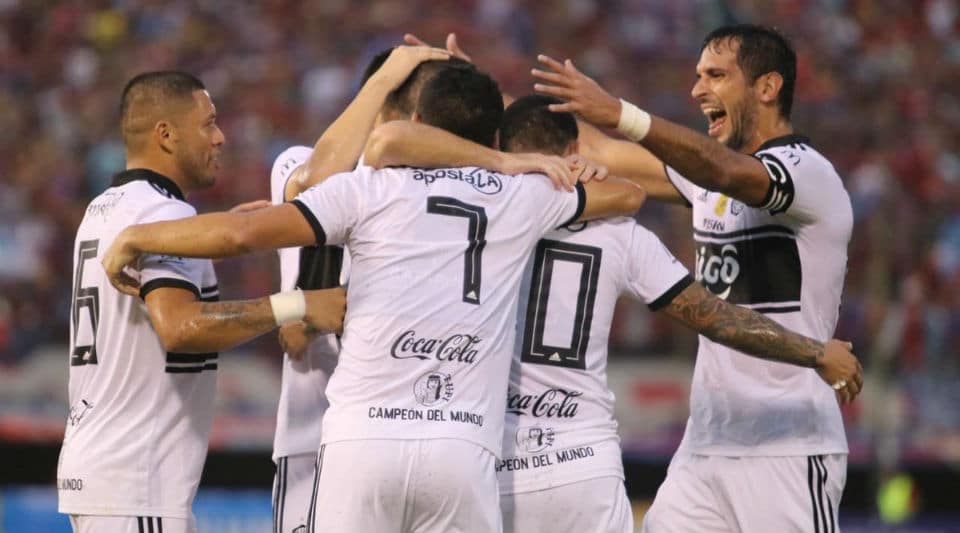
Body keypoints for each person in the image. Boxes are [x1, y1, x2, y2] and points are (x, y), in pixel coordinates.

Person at [100, 66, 645, 533]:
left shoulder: (363, 188)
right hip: (461, 447)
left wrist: (138, 237)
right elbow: (629, 194)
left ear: (417, 120)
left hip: (362, 441)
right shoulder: (524, 195)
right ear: (495, 138)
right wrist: (559, 169)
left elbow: (240, 234)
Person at [357, 93, 862, 533]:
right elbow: (715, 317)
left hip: (488, 461)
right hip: (584, 466)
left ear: (501, 148)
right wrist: (815, 352)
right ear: (575, 153)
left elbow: (392, 146)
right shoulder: (620, 228)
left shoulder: (473, 215)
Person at [531, 23, 861, 532]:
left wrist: (622, 114)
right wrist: (467, 92)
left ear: (767, 87)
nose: (697, 89)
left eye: (716, 75)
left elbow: (724, 173)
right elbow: (592, 150)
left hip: (788, 448)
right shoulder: (704, 178)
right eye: (698, 75)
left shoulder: (807, 173)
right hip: (705, 448)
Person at [267, 46, 579, 533]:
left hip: (412, 430)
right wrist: (299, 305)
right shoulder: (312, 166)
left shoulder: (436, 189)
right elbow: (320, 184)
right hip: (319, 428)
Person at [57, 71, 345, 533]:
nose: (220, 137)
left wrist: (208, 239)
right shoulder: (162, 212)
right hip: (137, 477)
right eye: (208, 123)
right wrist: (297, 305)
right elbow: (179, 328)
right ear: (166, 134)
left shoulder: (104, 207)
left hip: (108, 466)